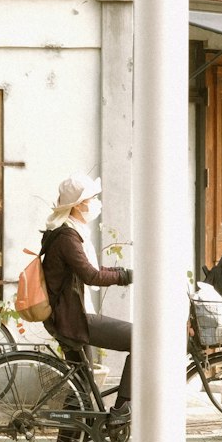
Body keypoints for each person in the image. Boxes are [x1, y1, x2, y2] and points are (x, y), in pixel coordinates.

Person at [40, 174, 133, 428]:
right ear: (79, 205)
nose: (96, 203)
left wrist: (123, 271)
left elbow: (89, 267)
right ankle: (123, 410)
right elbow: (91, 275)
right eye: (92, 198)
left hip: (66, 317)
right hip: (75, 319)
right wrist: (126, 276)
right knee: (140, 339)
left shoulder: (68, 232)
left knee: (80, 387)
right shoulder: (67, 237)